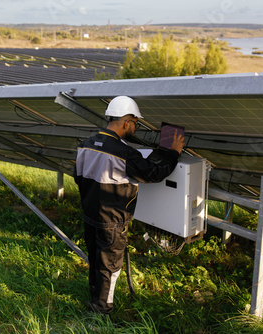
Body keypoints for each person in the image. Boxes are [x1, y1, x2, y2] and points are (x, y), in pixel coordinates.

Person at [74, 96, 185, 315]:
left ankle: (95, 299)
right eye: (135, 123)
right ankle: (101, 313)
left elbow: (78, 177)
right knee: (110, 267)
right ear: (126, 122)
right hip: (112, 221)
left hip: (90, 214)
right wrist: (174, 153)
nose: (136, 127)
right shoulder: (125, 153)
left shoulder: (85, 145)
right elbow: (154, 173)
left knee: (96, 259)